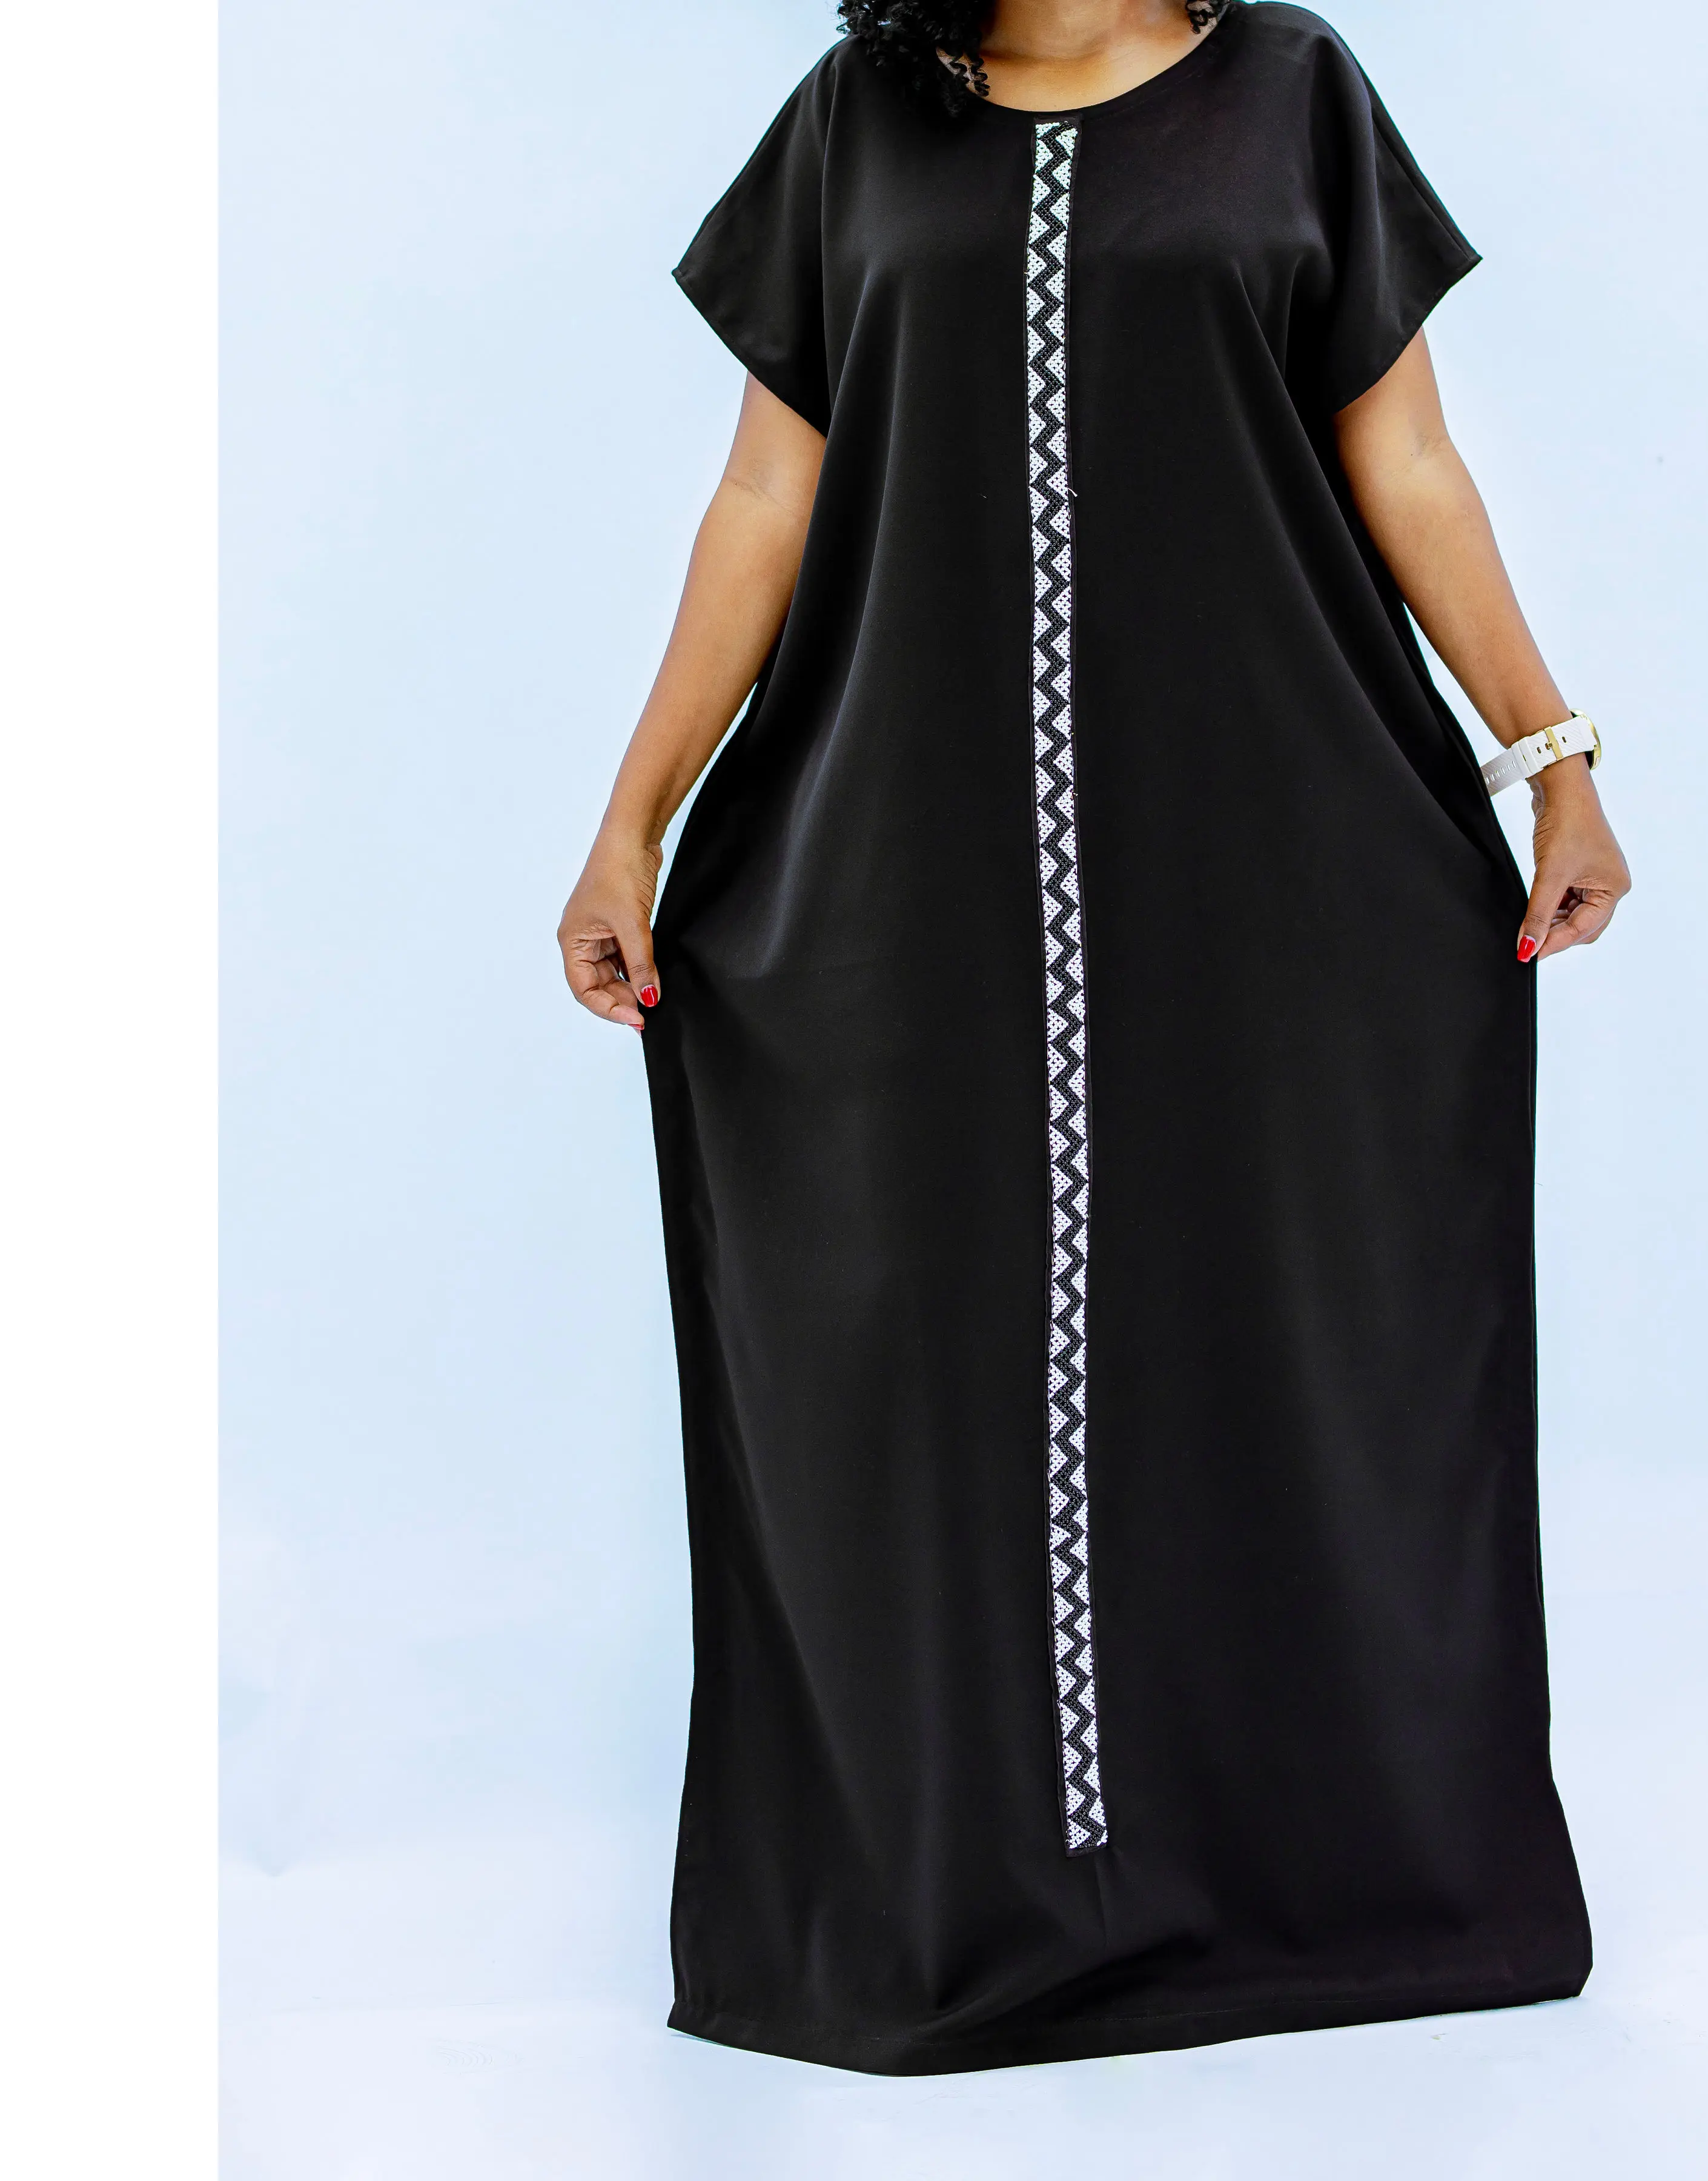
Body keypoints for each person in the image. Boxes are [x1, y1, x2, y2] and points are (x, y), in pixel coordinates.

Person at [558, 0, 1630, 2076]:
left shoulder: (1291, 94)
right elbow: (766, 499)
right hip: (911, 866)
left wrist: (1550, 758)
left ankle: (1306, 1881)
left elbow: (1404, 454)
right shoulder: (855, 126)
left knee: (1270, 1335)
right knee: (929, 1362)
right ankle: (971, 1884)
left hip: (1270, 852)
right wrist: (635, 821)